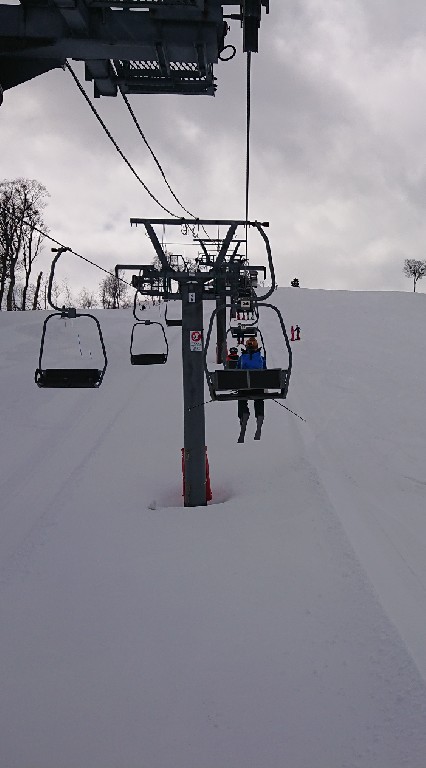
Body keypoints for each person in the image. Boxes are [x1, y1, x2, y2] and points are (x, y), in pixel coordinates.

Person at [236, 336, 266, 441]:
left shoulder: (241, 358)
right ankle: (259, 415)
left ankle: (243, 413)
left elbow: (237, 371)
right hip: (258, 387)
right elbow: (265, 371)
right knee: (259, 398)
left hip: (244, 388)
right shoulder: (261, 358)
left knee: (242, 399)